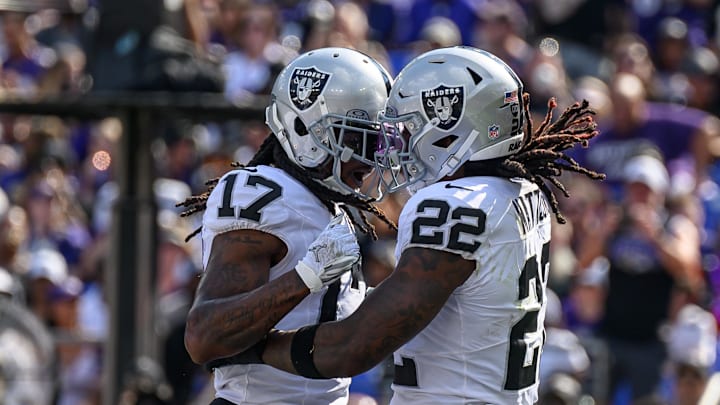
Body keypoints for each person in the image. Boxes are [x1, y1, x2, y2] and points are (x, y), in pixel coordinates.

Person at [217, 46, 605, 404]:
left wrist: (252, 346)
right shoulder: (524, 192)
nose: (397, 146)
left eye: (410, 128)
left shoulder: (450, 205)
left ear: (450, 127)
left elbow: (353, 347)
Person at [180, 47, 396, 405]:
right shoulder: (266, 195)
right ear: (304, 130)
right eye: (360, 139)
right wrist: (305, 277)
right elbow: (204, 337)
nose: (371, 159)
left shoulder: (323, 201)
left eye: (377, 142)